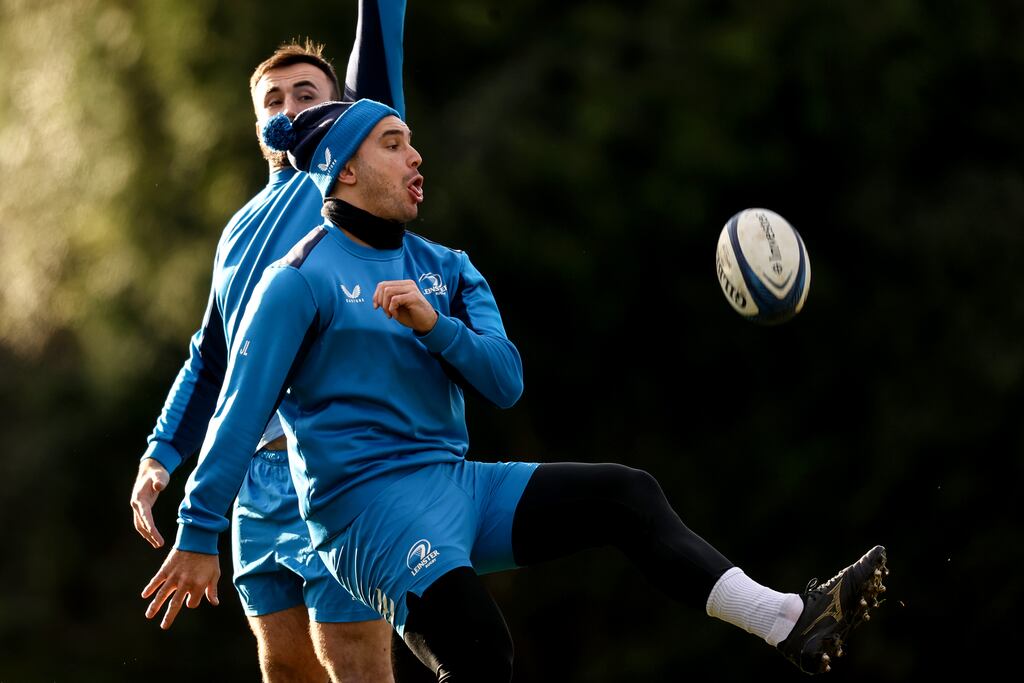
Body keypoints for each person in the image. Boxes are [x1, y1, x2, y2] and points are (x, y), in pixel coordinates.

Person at [143, 99, 890, 679]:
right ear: (342, 171)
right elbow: (238, 408)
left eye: (412, 141)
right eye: (394, 143)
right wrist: (199, 531)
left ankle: (791, 619)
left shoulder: (448, 265)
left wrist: (436, 325)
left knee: (626, 494)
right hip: (362, 510)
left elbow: (505, 381)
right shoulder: (297, 279)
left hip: (455, 484)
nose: (416, 156)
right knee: (481, 651)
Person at [129, 5, 413, 681]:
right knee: (284, 667)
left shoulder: (345, 182)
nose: (288, 105)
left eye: (307, 93)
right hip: (256, 481)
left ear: (341, 111)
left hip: (342, 466)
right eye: (273, 98)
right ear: (258, 123)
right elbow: (212, 355)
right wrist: (161, 455)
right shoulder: (238, 230)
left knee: (355, 662)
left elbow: (376, 50)